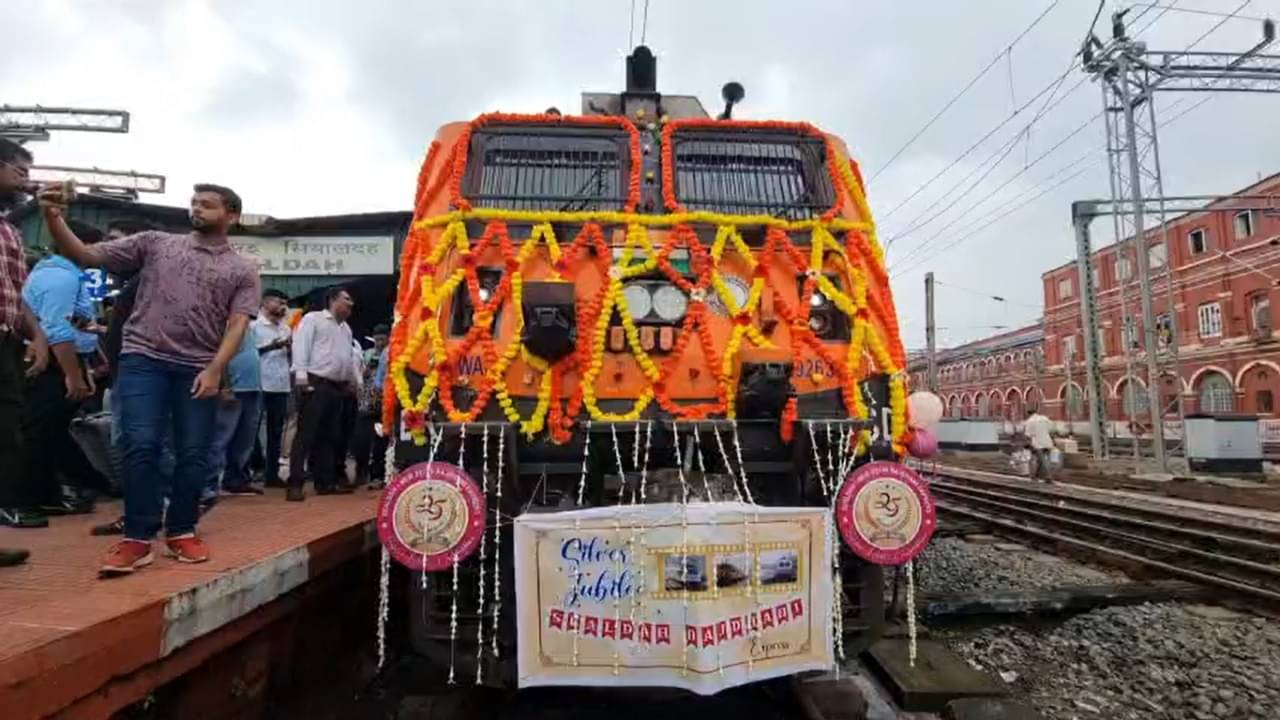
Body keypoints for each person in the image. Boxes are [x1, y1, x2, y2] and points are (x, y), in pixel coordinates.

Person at [38, 182, 261, 576]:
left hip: (197, 366)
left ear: (232, 216)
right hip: (144, 359)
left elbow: (238, 323)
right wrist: (53, 217)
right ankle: (138, 538)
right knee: (139, 445)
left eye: (208, 205)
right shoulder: (157, 243)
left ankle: (181, 530)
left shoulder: (241, 268)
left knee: (194, 453)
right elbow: (86, 254)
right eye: (194, 202)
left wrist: (214, 369)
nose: (197, 209)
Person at [91, 220, 177, 536]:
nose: (108, 248)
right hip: (126, 377)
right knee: (136, 444)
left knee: (139, 444)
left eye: (116, 242)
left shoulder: (147, 283)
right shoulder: (134, 285)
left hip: (137, 378)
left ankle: (159, 508)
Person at [19, 223, 103, 520]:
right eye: (96, 247)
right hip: (52, 359)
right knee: (40, 431)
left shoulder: (61, 274)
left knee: (50, 430)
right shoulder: (60, 278)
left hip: (62, 358)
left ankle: (49, 496)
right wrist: (73, 373)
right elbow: (56, 329)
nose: (98, 255)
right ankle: (26, 501)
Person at [0, 139, 51, 559]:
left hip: (6, 345)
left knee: (6, 439)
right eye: (20, 171)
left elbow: (15, 295)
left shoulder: (10, 232)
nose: (26, 182)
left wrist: (36, 335)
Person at [288, 287, 358, 501]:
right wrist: (301, 378)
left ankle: (325, 482)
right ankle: (295, 483)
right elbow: (301, 347)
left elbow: (348, 357)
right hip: (314, 381)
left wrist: (353, 382)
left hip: (337, 386)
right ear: (332, 300)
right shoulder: (313, 319)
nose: (350, 304)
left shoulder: (345, 329)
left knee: (329, 436)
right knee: (306, 435)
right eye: (346, 299)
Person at [206, 329, 263, 498]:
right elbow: (218, 356)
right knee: (221, 438)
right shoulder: (228, 324)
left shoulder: (249, 327)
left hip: (252, 388)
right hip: (233, 389)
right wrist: (224, 385)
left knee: (244, 440)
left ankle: (236, 480)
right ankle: (208, 484)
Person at [251, 289, 291, 488]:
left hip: (281, 384)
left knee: (276, 431)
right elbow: (249, 353)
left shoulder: (286, 328)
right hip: (259, 383)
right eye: (279, 302)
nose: (283, 307)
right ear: (265, 302)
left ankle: (271, 474)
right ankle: (254, 467)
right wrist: (272, 346)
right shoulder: (254, 326)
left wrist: (290, 348)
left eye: (285, 304)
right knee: (252, 429)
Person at [352, 326, 390, 489]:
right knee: (362, 438)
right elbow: (360, 375)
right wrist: (369, 366)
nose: (380, 342)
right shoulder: (366, 354)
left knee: (381, 438)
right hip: (367, 401)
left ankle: (377, 474)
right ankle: (361, 472)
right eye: (377, 339)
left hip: (385, 402)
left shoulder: (391, 352)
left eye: (383, 339)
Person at [1023, 407, 1054, 480]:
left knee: (1041, 461)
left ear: (1028, 414)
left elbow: (1027, 435)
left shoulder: (1029, 421)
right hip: (1047, 442)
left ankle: (1048, 477)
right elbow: (1051, 429)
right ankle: (1035, 476)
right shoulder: (1045, 418)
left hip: (1037, 444)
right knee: (1042, 461)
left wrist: (1027, 444)